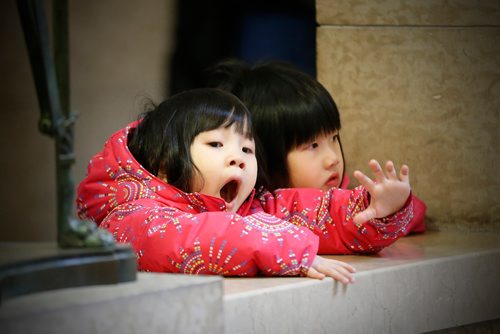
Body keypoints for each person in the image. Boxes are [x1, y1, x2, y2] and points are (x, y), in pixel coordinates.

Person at [77, 88, 414, 284]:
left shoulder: (252, 206)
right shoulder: (130, 215)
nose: (237, 158)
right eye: (216, 145)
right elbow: (188, 237)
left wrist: (377, 210)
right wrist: (282, 249)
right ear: (165, 163)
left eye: (247, 149)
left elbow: (312, 211)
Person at [205, 59, 426, 234]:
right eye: (313, 145)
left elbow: (417, 210)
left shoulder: (344, 197)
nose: (333, 159)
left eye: (334, 138)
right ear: (264, 157)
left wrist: (394, 206)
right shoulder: (251, 214)